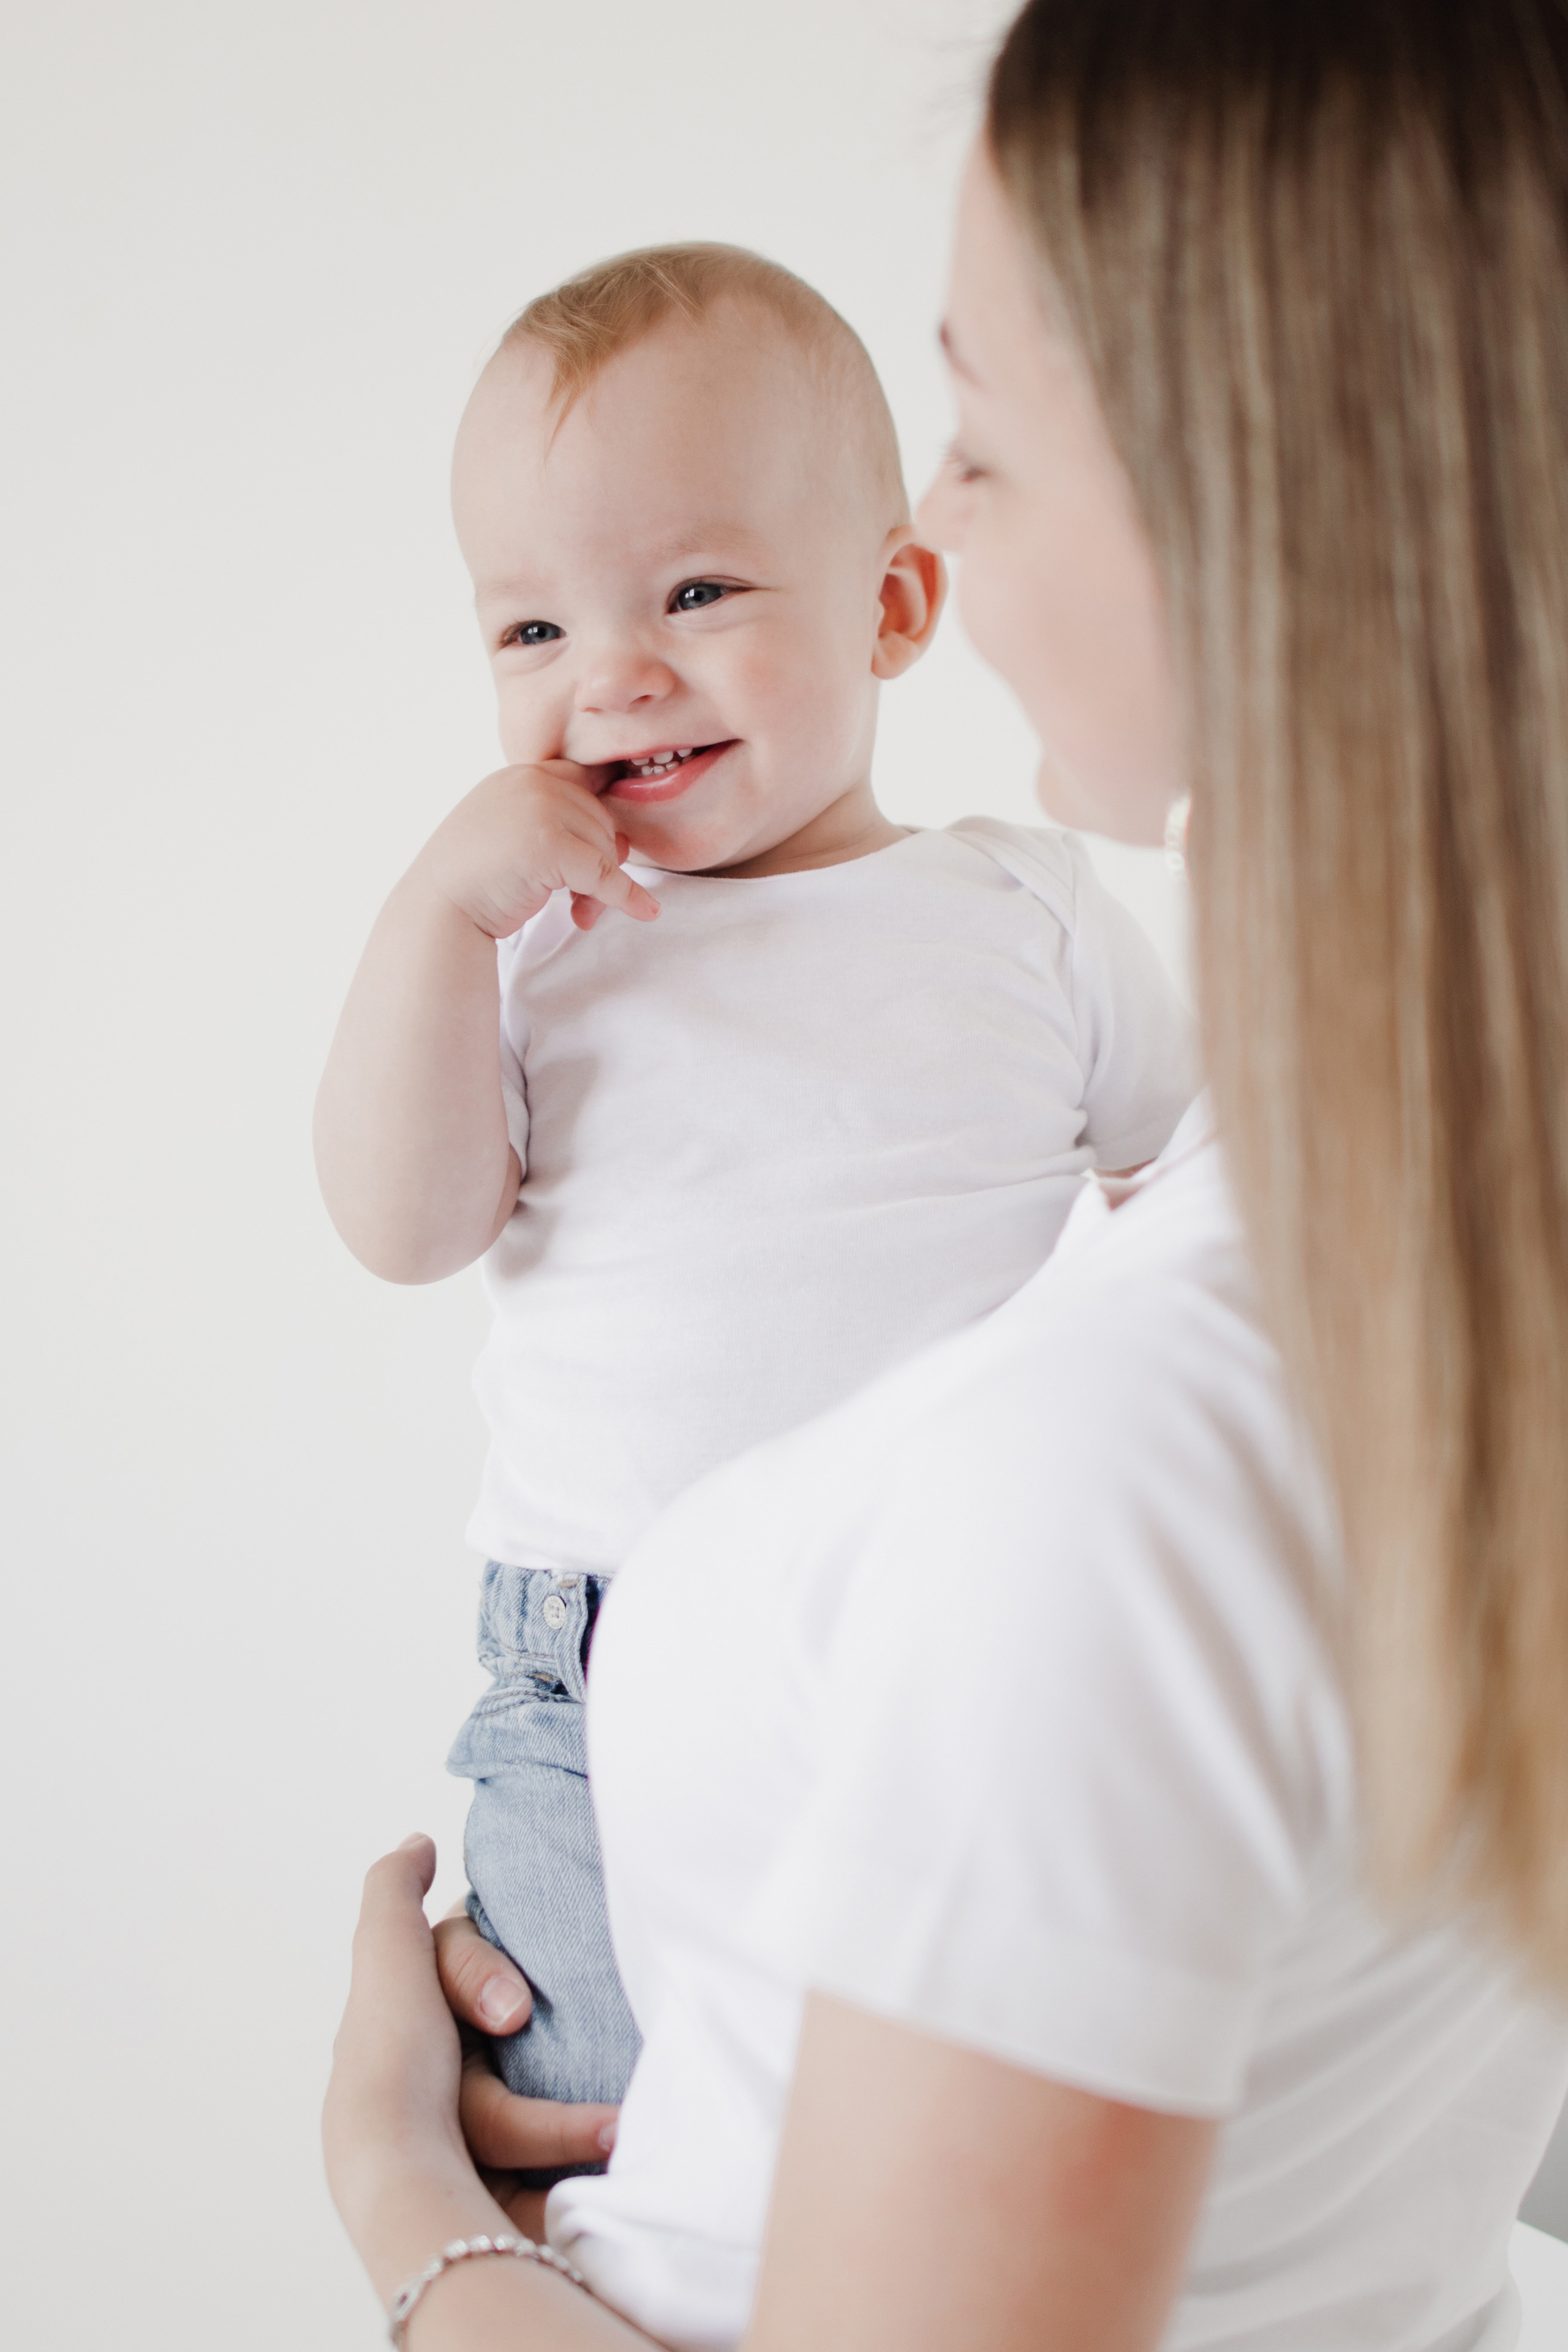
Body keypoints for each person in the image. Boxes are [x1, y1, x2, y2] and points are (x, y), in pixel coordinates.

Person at [323, 3, 1568, 2346]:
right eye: (530, 622)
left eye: (979, 435)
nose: (944, 524)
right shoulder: (1422, 1268)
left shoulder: (1113, 1444)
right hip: (575, 1674)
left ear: (1256, 500)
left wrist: (402, 2202)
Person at [312, 242, 1194, 2138]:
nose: (612, 675)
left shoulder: (1022, 910)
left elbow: (1204, 1200)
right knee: (614, 2151)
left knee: (944, 2137)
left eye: (696, 593)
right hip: (601, 1677)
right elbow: (404, 1227)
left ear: (892, 605)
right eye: (530, 631)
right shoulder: (539, 942)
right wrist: (427, 926)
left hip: (965, 1641)